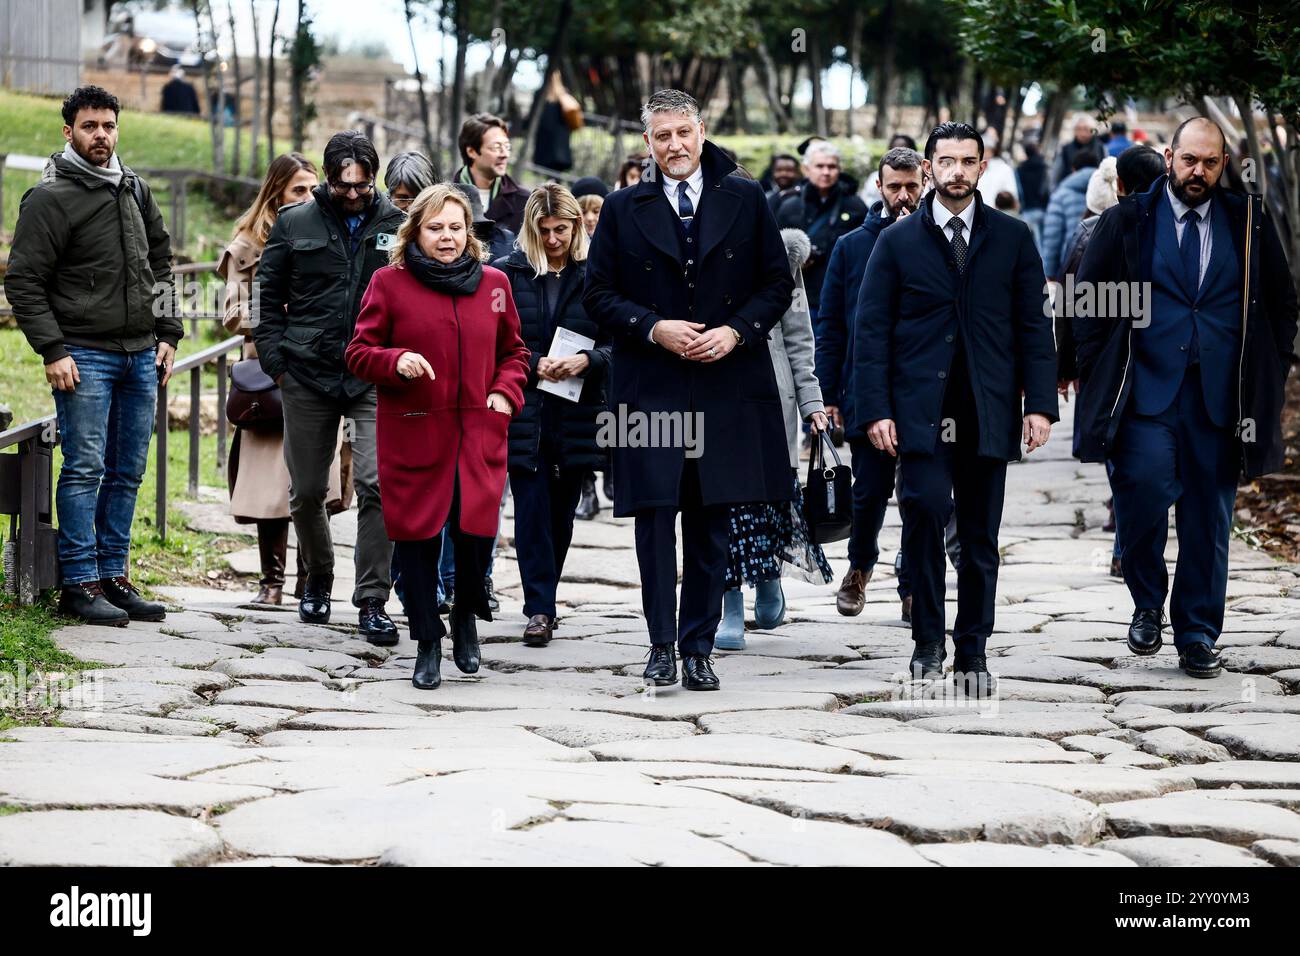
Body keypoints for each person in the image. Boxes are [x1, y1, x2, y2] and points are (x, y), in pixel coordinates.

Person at [584, 89, 795, 691]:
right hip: (650, 388)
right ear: (646, 141)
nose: (674, 146)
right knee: (654, 521)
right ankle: (659, 646)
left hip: (726, 383)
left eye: (683, 133)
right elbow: (597, 294)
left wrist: (736, 332)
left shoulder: (746, 197)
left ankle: (698, 647)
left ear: (701, 131)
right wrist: (654, 328)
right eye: (662, 136)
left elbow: (777, 284)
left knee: (711, 521)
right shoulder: (625, 207)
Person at [1073, 117, 1297, 678]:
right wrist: (1095, 369)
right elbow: (1091, 303)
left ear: (1225, 165)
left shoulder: (1246, 222)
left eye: (1211, 163)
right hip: (1144, 393)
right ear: (1169, 155)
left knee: (1207, 519)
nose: (1198, 172)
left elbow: (1281, 302)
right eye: (1189, 160)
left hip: (1221, 399)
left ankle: (1197, 632)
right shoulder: (1130, 220)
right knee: (1141, 494)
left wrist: (1270, 365)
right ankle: (1147, 602)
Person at [852, 122, 1058, 695]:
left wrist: (1038, 406)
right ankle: (926, 643)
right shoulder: (895, 243)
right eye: (946, 161)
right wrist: (874, 411)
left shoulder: (1014, 238)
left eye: (968, 161)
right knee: (920, 515)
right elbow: (870, 333)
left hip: (987, 412)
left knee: (978, 535)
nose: (957, 171)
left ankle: (973, 650)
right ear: (927, 168)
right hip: (917, 413)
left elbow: (1034, 328)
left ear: (983, 167)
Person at [6, 85, 180, 625]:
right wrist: (52, 350)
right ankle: (78, 584)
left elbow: (162, 264)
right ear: (69, 132)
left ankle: (113, 576)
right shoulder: (50, 198)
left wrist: (169, 332)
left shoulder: (135, 189)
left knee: (128, 470)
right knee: (84, 468)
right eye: (89, 126)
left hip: (140, 355)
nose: (100, 135)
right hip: (84, 355)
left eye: (108, 125)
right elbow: (23, 280)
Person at [347, 184, 528, 689]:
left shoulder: (494, 283)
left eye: (455, 227)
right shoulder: (389, 283)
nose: (446, 238)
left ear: (468, 232)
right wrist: (394, 360)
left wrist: (504, 394)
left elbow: (515, 352)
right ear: (415, 232)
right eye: (435, 228)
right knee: (418, 541)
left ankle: (467, 619)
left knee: (474, 537)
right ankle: (427, 640)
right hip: (414, 433)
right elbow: (359, 352)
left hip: (478, 432)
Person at [253, 130, 405, 643]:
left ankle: (372, 598)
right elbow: (266, 296)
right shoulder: (295, 222)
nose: (355, 195)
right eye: (345, 187)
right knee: (308, 490)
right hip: (306, 372)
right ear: (328, 180)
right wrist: (276, 362)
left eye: (364, 186)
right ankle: (317, 579)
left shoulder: (398, 225)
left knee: (376, 484)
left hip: (372, 372)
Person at [817, 146, 952, 622]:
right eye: (894, 186)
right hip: (866, 390)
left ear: (928, 182)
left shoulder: (944, 241)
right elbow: (830, 324)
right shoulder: (852, 245)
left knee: (922, 496)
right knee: (869, 491)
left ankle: (913, 584)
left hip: (924, 394)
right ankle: (859, 567)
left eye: (912, 186)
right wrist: (828, 396)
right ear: (879, 187)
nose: (903, 195)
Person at [219, 152, 350, 606]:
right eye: (298, 190)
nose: (307, 198)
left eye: (312, 189)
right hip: (269, 377)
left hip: (321, 374)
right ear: (276, 192)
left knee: (313, 484)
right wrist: (284, 315)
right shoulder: (247, 245)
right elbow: (233, 313)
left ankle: (311, 579)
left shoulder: (328, 231)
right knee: (268, 487)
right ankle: (271, 582)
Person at [494, 184, 610, 645]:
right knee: (530, 509)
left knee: (561, 514)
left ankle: (547, 595)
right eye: (544, 230)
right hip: (527, 408)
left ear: (576, 225)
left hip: (577, 410)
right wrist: (532, 359)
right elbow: (497, 341)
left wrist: (589, 360)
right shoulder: (509, 275)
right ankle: (538, 607)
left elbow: (621, 342)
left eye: (561, 228)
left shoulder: (598, 275)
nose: (554, 238)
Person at [716, 224, 833, 649]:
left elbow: (801, 335)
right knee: (721, 502)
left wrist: (812, 402)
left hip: (772, 394)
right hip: (718, 390)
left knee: (770, 497)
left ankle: (768, 578)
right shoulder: (696, 247)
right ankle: (728, 604)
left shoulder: (780, 255)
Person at [774, 141, 867, 321]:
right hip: (800, 296)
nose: (826, 172)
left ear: (839, 169)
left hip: (843, 293)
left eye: (831, 166)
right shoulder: (789, 206)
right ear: (806, 169)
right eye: (820, 166)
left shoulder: (855, 206)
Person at [454, 113, 528, 233]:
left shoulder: (523, 202)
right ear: (471, 151)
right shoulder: (445, 199)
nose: (505, 154)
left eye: (507, 147)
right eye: (496, 147)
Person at [1041, 149, 1098, 281]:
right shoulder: (1110, 190)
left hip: (1068, 267)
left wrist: (1049, 271)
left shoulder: (1061, 194)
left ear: (1073, 169)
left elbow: (1053, 236)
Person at [1017, 136, 1052, 249]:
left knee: (1028, 243)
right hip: (1043, 208)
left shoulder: (1020, 169)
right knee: (1043, 243)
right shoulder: (1044, 167)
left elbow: (1019, 190)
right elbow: (1047, 188)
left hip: (1027, 209)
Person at [1052, 114, 1104, 187]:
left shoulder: (1100, 148)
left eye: (1086, 129)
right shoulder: (1066, 149)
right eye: (1078, 129)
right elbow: (1056, 175)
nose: (1082, 133)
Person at [976, 128, 1020, 208]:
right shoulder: (974, 168)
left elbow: (1011, 194)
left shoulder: (1004, 169)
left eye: (987, 150)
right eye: (983, 150)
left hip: (996, 213)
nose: (985, 154)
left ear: (993, 151)